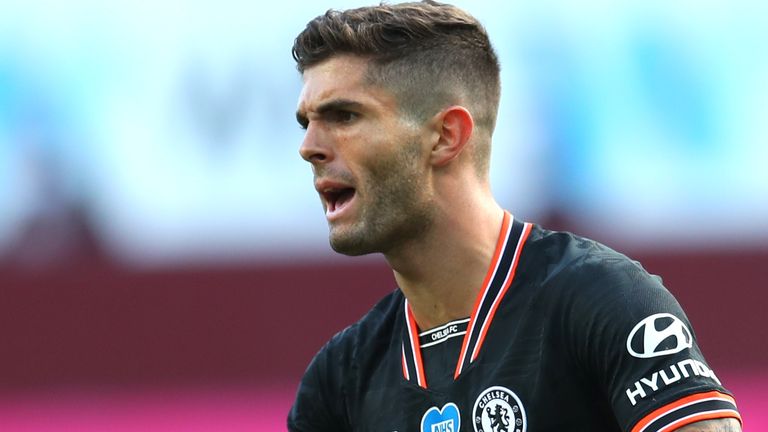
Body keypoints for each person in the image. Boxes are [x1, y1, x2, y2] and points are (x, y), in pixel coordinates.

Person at [288, 1, 742, 431]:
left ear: (447, 136)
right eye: (306, 122)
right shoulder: (339, 381)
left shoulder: (606, 301)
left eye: (344, 116)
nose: (310, 147)